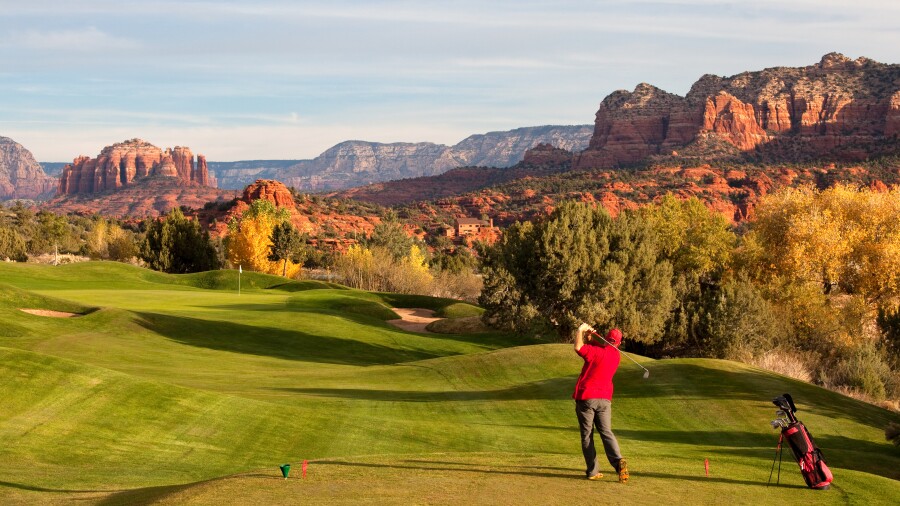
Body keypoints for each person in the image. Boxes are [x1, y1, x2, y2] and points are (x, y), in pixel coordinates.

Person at [573, 322, 629, 483]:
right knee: (606, 432)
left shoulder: (596, 352)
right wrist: (591, 338)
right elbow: (602, 348)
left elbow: (578, 347)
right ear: (619, 342)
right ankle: (618, 463)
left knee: (587, 435)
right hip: (605, 400)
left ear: (606, 338)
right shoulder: (616, 355)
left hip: (587, 398)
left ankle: (593, 471)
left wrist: (581, 330)